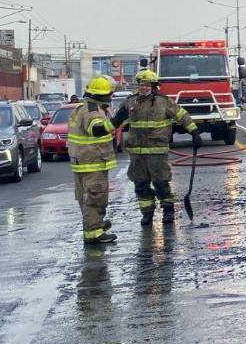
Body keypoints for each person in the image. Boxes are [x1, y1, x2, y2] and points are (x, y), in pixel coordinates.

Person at [111, 69, 201, 225]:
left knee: (161, 182)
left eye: (147, 85)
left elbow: (182, 115)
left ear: (153, 86)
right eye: (141, 84)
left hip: (157, 151)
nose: (144, 87)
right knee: (140, 184)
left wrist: (194, 132)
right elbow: (116, 121)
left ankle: (168, 211)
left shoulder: (164, 102)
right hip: (137, 153)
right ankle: (147, 213)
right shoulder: (130, 102)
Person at [68, 76, 119, 246]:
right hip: (92, 161)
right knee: (95, 197)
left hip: (82, 161)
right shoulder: (92, 111)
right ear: (102, 95)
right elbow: (96, 130)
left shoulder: (82, 108)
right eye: (109, 93)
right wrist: (116, 121)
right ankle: (93, 233)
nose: (111, 96)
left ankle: (94, 224)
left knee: (86, 197)